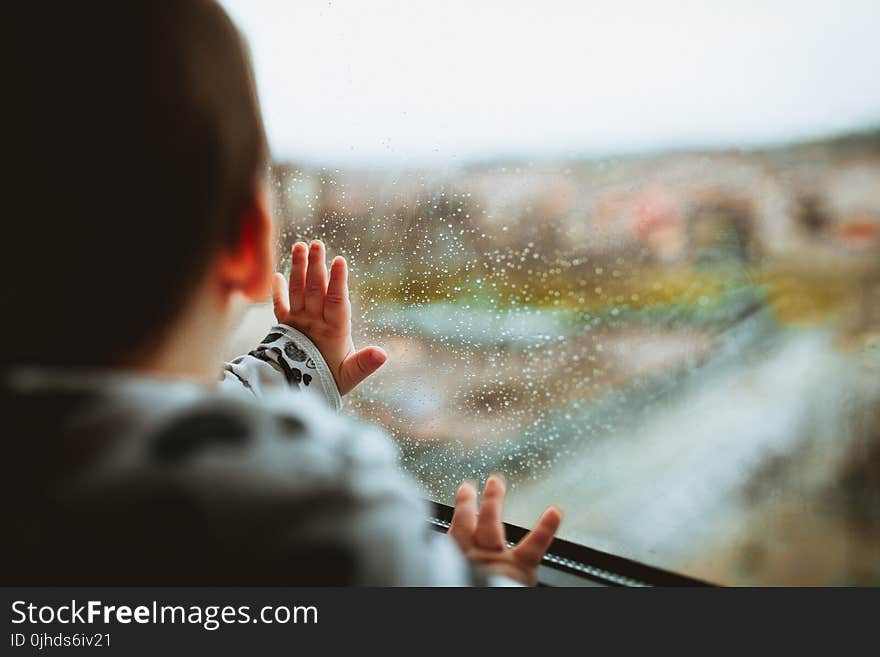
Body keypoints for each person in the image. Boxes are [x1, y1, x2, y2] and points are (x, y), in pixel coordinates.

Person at [1, 0, 560, 586]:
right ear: (246, 249)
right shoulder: (304, 499)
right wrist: (491, 582)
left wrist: (299, 354)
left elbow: (201, 408)